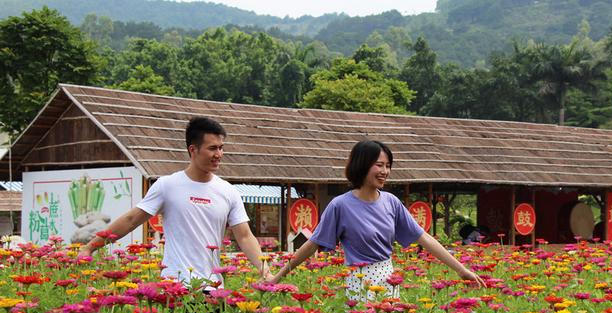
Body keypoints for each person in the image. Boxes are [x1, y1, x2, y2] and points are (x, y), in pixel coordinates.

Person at [270, 140, 484, 301]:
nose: (385, 171)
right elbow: (312, 244)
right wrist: (278, 277)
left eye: (388, 166)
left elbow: (425, 239)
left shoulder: (391, 202)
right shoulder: (340, 205)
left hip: (388, 279)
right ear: (362, 165)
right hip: (358, 282)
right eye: (379, 165)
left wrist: (462, 270)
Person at [79, 117, 272, 289]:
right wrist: (90, 247)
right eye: (212, 148)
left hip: (212, 287)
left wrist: (264, 269)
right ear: (193, 150)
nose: (219, 154)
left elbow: (245, 236)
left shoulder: (228, 191)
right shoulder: (167, 185)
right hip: (174, 286)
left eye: (221, 148)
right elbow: (131, 220)